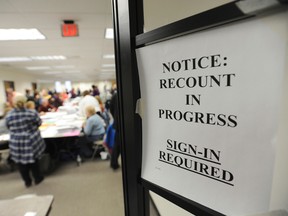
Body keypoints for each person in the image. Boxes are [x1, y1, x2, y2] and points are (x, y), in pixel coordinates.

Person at [5, 94, 45, 187]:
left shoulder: (9, 115)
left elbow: (8, 127)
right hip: (31, 140)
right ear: (25, 102)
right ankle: (37, 178)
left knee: (20, 162)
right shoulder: (31, 113)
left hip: (17, 142)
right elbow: (39, 123)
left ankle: (27, 181)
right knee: (34, 160)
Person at [110, 87, 120, 170]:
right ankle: (113, 163)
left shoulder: (115, 96)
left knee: (117, 145)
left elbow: (111, 109)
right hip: (128, 124)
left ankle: (114, 163)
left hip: (118, 124)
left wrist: (116, 118)